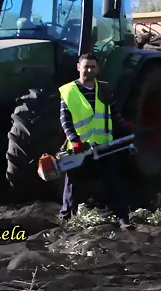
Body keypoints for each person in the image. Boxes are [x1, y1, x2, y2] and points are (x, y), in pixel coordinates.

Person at [58, 52, 136, 229]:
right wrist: (74, 140)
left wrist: (125, 124)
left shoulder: (105, 89)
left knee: (113, 182)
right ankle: (66, 219)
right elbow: (65, 120)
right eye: (86, 66)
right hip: (79, 148)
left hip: (104, 145)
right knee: (72, 186)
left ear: (98, 69)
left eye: (93, 66)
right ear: (79, 67)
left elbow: (113, 112)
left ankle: (122, 219)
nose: (89, 69)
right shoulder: (68, 91)